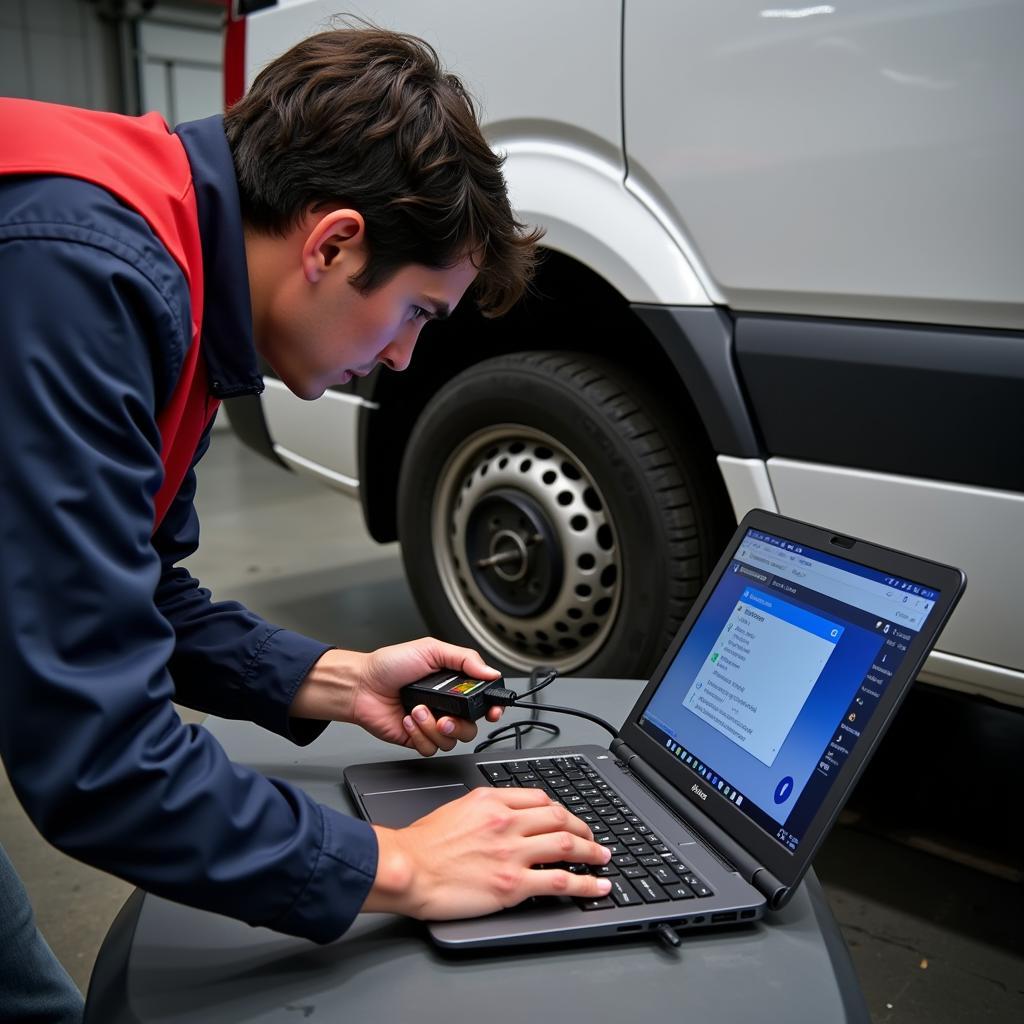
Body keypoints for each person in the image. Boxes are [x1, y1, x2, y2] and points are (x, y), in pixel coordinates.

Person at [0, 27, 612, 1023]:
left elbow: (133, 589)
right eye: (416, 311)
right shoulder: (82, 281)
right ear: (331, 243)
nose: (406, 359)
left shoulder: (178, 266)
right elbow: (95, 754)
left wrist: (332, 678)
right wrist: (402, 865)